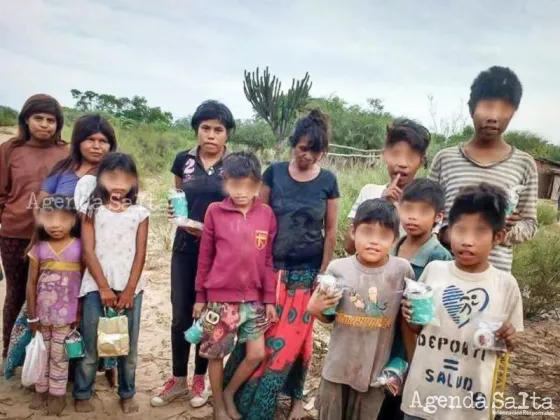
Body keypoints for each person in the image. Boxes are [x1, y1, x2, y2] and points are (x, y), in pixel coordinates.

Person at [223, 109, 340, 420]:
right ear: (293, 144)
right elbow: (259, 220)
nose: (308, 156)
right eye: (303, 148)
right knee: (261, 337)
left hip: (307, 275)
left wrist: (323, 272)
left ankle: (295, 400)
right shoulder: (274, 173)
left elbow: (330, 231)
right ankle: (246, 398)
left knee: (298, 343)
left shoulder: (329, 181)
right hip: (272, 272)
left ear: (322, 152)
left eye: (315, 151)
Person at [400, 183, 523, 420]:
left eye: (479, 232)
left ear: (498, 236)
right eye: (460, 230)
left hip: (471, 401)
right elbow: (418, 327)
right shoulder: (434, 270)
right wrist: (410, 316)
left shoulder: (505, 285)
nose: (467, 240)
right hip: (423, 394)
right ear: (447, 231)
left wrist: (509, 337)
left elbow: (511, 343)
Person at [151, 100, 236, 409]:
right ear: (196, 130)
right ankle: (177, 379)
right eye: (205, 128)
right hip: (185, 249)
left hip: (219, 254)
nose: (211, 135)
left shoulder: (235, 164)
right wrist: (174, 213)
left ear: (227, 135)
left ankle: (200, 376)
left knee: (209, 318)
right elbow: (178, 198)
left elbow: (241, 208)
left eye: (218, 129)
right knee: (180, 315)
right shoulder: (183, 160)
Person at [308, 199, 415, 420]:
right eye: (367, 232)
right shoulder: (338, 268)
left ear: (394, 239)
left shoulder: (401, 270)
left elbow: (407, 321)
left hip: (374, 374)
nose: (374, 241)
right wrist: (316, 309)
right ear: (354, 232)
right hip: (337, 368)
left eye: (384, 235)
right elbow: (328, 317)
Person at [193, 151, 278, 420]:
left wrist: (269, 300)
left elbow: (268, 261)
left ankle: (229, 392)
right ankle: (218, 404)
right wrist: (200, 296)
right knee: (215, 354)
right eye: (234, 185)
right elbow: (205, 257)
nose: (241, 192)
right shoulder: (215, 212)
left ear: (257, 185)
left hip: (253, 301)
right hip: (219, 300)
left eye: (248, 186)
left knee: (256, 354)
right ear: (225, 182)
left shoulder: (266, 214)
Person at [429, 66, 538, 272]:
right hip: (444, 273)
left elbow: (530, 225)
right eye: (487, 107)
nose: (493, 117)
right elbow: (428, 211)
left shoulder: (524, 164)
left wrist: (504, 229)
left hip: (493, 280)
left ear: (513, 113)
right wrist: (447, 233)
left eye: (504, 109)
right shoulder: (446, 159)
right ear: (471, 109)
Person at [73, 153, 150, 414]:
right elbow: (88, 252)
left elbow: (140, 255)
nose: (118, 183)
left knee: (128, 346)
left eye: (125, 178)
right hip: (96, 286)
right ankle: (82, 393)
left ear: (134, 181)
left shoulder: (140, 213)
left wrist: (129, 290)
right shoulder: (92, 210)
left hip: (131, 288)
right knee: (92, 345)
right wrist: (104, 287)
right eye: (111, 177)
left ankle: (127, 393)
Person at [0, 94, 68, 365]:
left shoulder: (66, 152)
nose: (44, 125)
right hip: (15, 235)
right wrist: (10, 215)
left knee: (51, 296)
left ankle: (45, 358)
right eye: (38, 118)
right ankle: (10, 353)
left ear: (58, 124)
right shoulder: (9, 150)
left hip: (58, 237)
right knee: (17, 293)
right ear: (26, 120)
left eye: (51, 120)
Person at [377, 178, 452, 420]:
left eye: (422, 211)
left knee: (402, 404)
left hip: (414, 348)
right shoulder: (391, 247)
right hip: (383, 341)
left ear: (438, 216)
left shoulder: (440, 258)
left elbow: (436, 314)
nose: (412, 217)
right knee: (380, 401)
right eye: (407, 208)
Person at [26, 195, 82, 416]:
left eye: (63, 218)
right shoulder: (38, 248)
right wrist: (31, 316)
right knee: (42, 353)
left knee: (59, 355)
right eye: (49, 218)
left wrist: (79, 310)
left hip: (66, 317)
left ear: (74, 220)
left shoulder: (79, 247)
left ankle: (57, 394)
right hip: (40, 316)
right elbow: (30, 283)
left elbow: (84, 282)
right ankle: (41, 391)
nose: (55, 224)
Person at [344, 119, 431, 254]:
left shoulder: (427, 202)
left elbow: (427, 250)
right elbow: (349, 247)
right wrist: (381, 203)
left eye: (411, 157)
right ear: (385, 155)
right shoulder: (369, 192)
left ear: (421, 161)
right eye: (396, 155)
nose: (402, 163)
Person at [40, 114, 117, 199]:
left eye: (103, 141)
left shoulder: (117, 174)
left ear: (110, 145)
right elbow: (40, 205)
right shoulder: (63, 169)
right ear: (78, 142)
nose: (96, 146)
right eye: (90, 140)